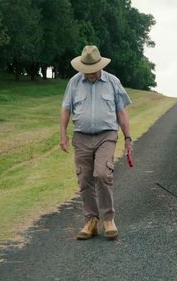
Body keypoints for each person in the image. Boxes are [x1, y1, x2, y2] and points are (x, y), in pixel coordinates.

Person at [60, 45, 132, 240]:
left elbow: (121, 112)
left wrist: (127, 137)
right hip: (81, 136)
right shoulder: (74, 82)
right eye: (86, 70)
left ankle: (108, 219)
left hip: (106, 135)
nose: (90, 74)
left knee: (102, 174)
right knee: (84, 179)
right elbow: (66, 109)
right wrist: (63, 135)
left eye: (93, 70)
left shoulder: (112, 82)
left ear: (100, 66)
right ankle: (91, 221)